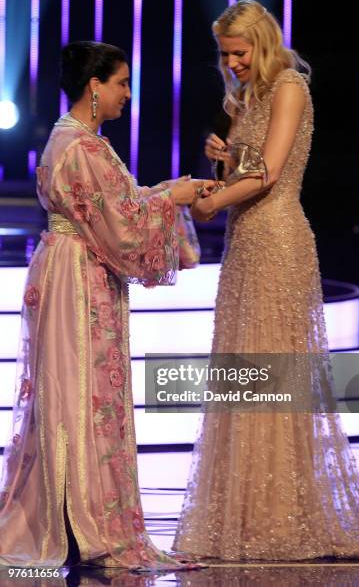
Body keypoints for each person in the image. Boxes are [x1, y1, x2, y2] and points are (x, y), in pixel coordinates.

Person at [173, 0, 359, 560]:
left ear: (263, 43)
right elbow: (247, 170)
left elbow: (269, 175)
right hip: (246, 244)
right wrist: (222, 160)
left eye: (240, 53)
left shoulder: (291, 87)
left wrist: (212, 201)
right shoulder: (244, 97)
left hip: (278, 241)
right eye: (225, 55)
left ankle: (281, 516)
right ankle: (247, 513)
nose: (232, 64)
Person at [0, 41, 215, 571]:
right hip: (77, 278)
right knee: (81, 394)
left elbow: (118, 208)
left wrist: (166, 193)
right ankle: (82, 520)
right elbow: (119, 226)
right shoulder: (83, 147)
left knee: (74, 392)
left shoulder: (70, 139)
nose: (126, 94)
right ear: (95, 87)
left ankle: (73, 513)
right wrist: (174, 198)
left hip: (69, 268)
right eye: (121, 83)